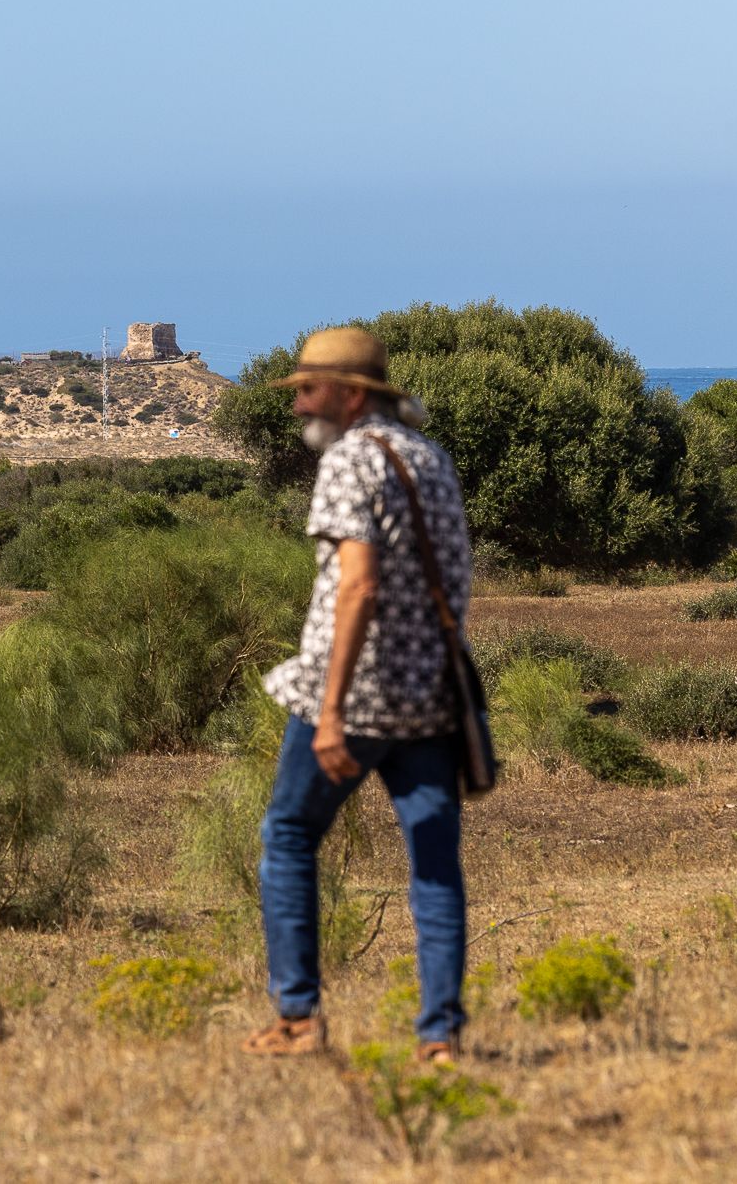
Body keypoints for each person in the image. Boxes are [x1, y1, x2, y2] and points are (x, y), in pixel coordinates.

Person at [242, 327, 474, 1065]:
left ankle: (298, 1017)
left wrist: (333, 709)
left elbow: (359, 585)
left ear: (349, 395)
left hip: (355, 694)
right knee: (434, 863)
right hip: (431, 698)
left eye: (308, 388)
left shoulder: (348, 460)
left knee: (287, 837)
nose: (299, 403)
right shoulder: (430, 460)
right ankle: (439, 1035)